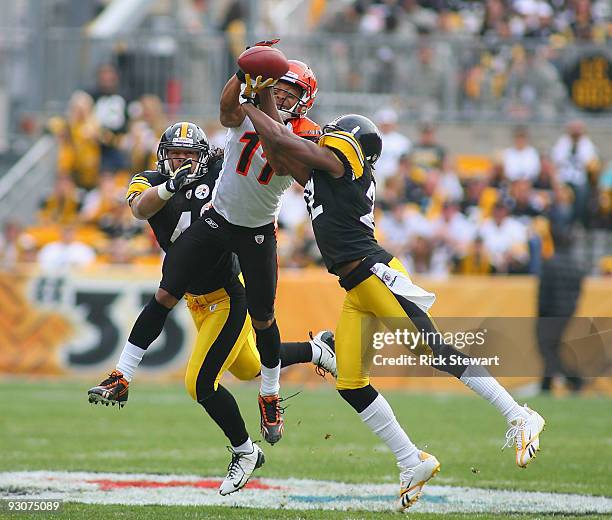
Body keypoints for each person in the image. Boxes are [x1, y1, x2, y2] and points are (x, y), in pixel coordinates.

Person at [239, 80, 546, 511]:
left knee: (434, 350)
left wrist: (249, 101)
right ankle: (411, 459)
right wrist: (263, 99)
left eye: (335, 140)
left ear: (353, 150)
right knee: (350, 381)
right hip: (355, 288)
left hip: (375, 273)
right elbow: (278, 149)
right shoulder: (327, 172)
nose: (325, 141)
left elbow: (283, 139)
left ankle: (519, 414)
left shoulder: (344, 165)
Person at [88, 122, 336, 495]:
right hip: (194, 297)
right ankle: (318, 350)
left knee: (200, 383)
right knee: (253, 365)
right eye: (175, 154)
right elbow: (140, 208)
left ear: (203, 156)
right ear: (163, 155)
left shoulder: (220, 177)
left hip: (226, 296)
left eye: (189, 155)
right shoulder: (149, 180)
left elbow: (250, 169)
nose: (182, 161)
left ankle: (245, 450)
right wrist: (171, 185)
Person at [141, 43, 321, 446]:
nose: (284, 97)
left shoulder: (306, 133)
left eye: (292, 93)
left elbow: (279, 153)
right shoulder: (244, 110)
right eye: (279, 89)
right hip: (221, 223)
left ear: (305, 101)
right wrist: (243, 70)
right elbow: (226, 111)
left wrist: (256, 104)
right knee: (248, 366)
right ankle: (316, 351)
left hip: (258, 229)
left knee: (261, 322)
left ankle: (267, 404)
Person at [537, 227, 584, 392]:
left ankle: (574, 379)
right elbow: (578, 291)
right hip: (567, 313)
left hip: (550, 314)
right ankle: (546, 384)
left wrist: (540, 315)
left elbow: (543, 294)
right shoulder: (576, 265)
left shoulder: (550, 263)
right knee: (552, 348)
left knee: (546, 348)